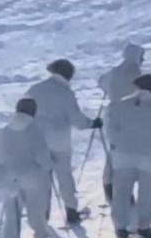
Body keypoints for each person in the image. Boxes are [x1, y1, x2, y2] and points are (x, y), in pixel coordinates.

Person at [23, 59, 103, 224]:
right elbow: (76, 119)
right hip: (60, 142)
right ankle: (71, 211)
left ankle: (43, 215)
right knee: (64, 176)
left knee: (42, 180)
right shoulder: (65, 93)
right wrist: (92, 123)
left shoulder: (35, 89)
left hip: (37, 142)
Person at [104, 74, 151, 238]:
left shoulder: (121, 104)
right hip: (148, 157)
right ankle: (144, 227)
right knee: (146, 194)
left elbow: (110, 127)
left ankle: (121, 227)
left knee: (121, 192)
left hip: (122, 156)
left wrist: (116, 144)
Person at [0, 99, 55, 238]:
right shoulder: (34, 130)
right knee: (36, 210)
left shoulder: (4, 131)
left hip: (9, 179)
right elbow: (41, 156)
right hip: (33, 177)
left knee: (11, 213)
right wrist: (49, 165)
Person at [98, 44, 146, 202]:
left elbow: (101, 82)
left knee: (114, 150)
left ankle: (108, 184)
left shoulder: (114, 71)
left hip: (112, 113)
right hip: (130, 115)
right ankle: (124, 190)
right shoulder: (135, 71)